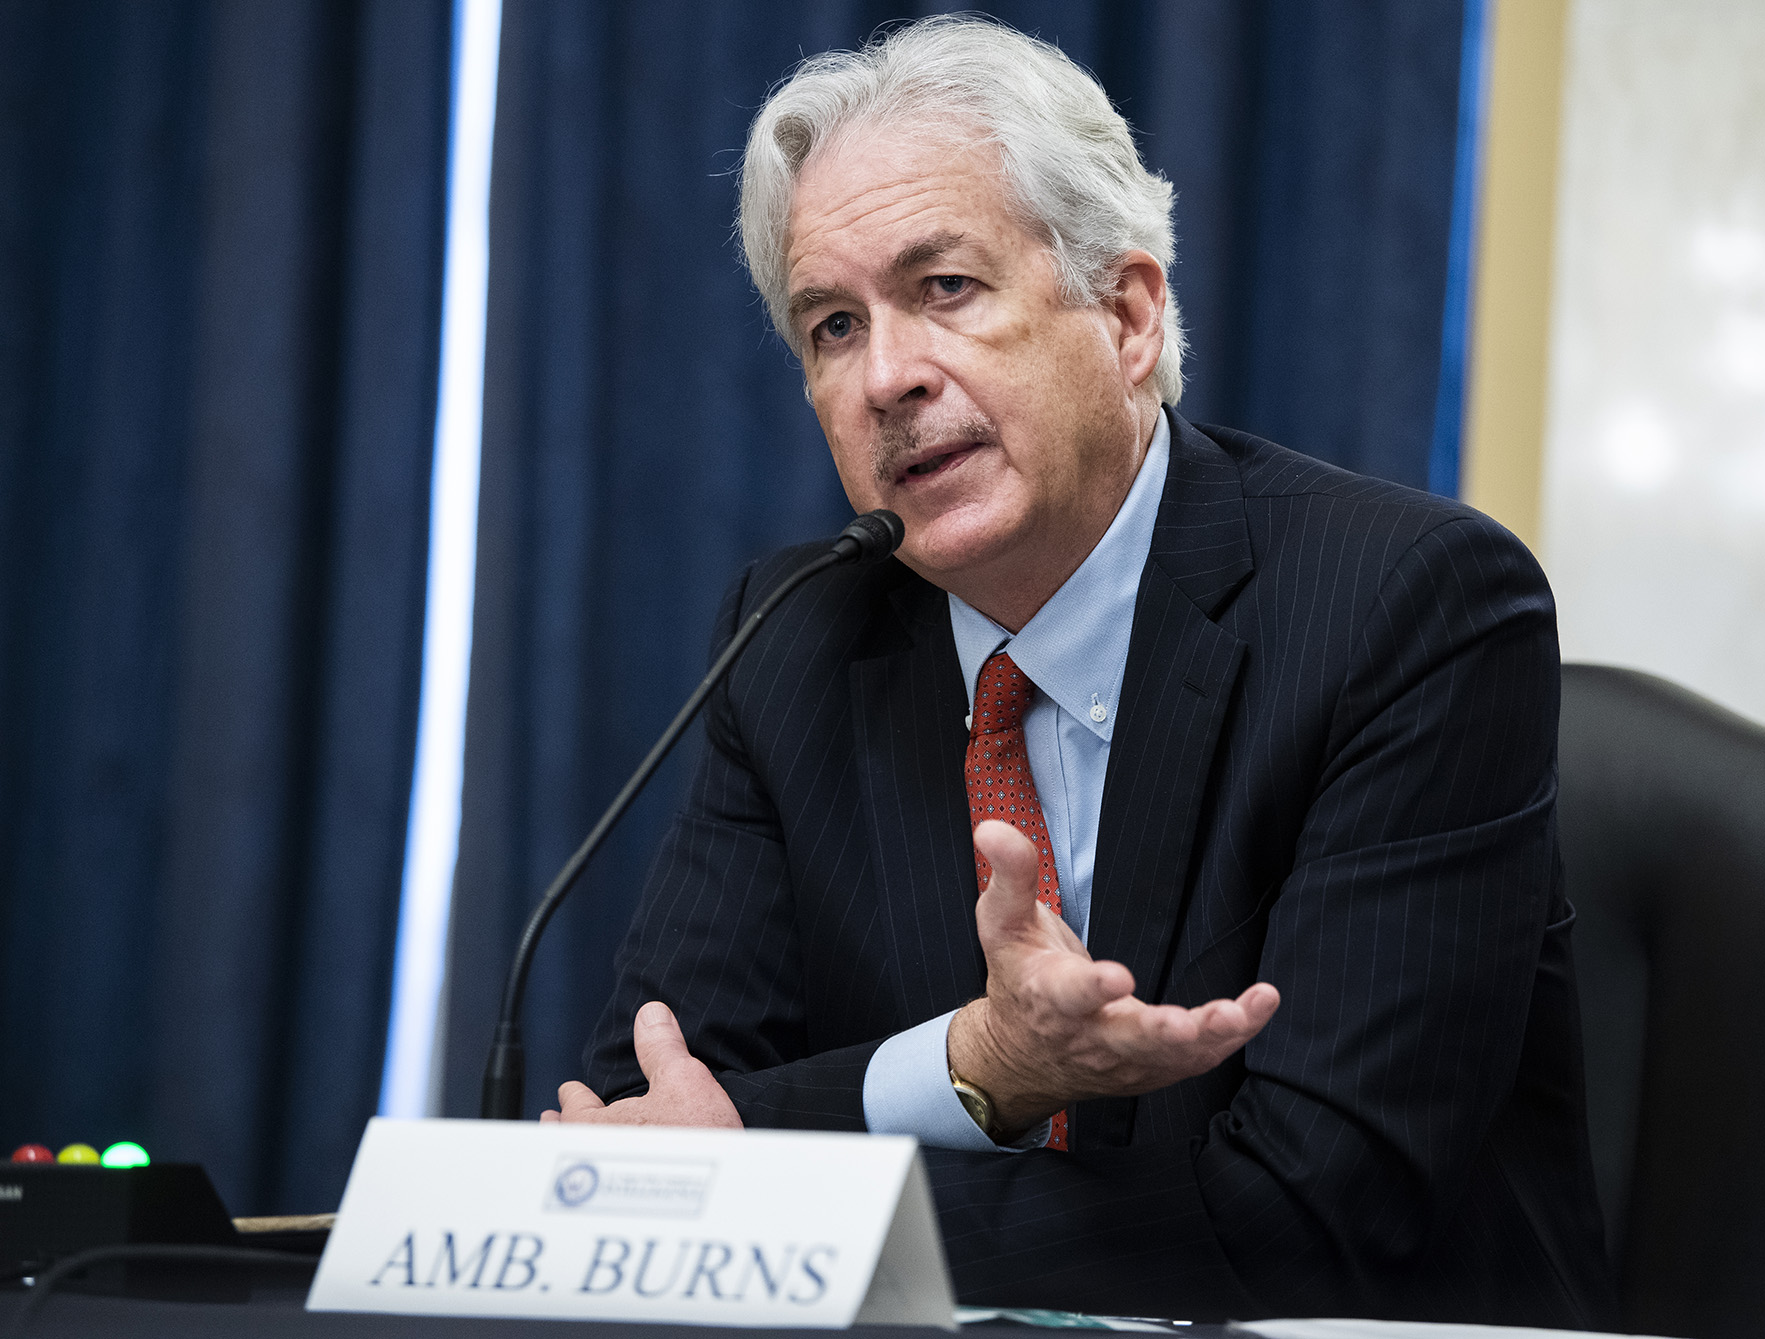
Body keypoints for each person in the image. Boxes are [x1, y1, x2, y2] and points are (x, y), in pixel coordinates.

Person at [544, 15, 1612, 1326]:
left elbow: (1312, 1216)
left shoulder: (1409, 609)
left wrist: (801, 1167)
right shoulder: (802, 637)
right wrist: (973, 1063)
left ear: (1123, 314)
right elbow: (649, 1112)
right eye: (831, 326)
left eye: (945, 289)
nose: (886, 377)